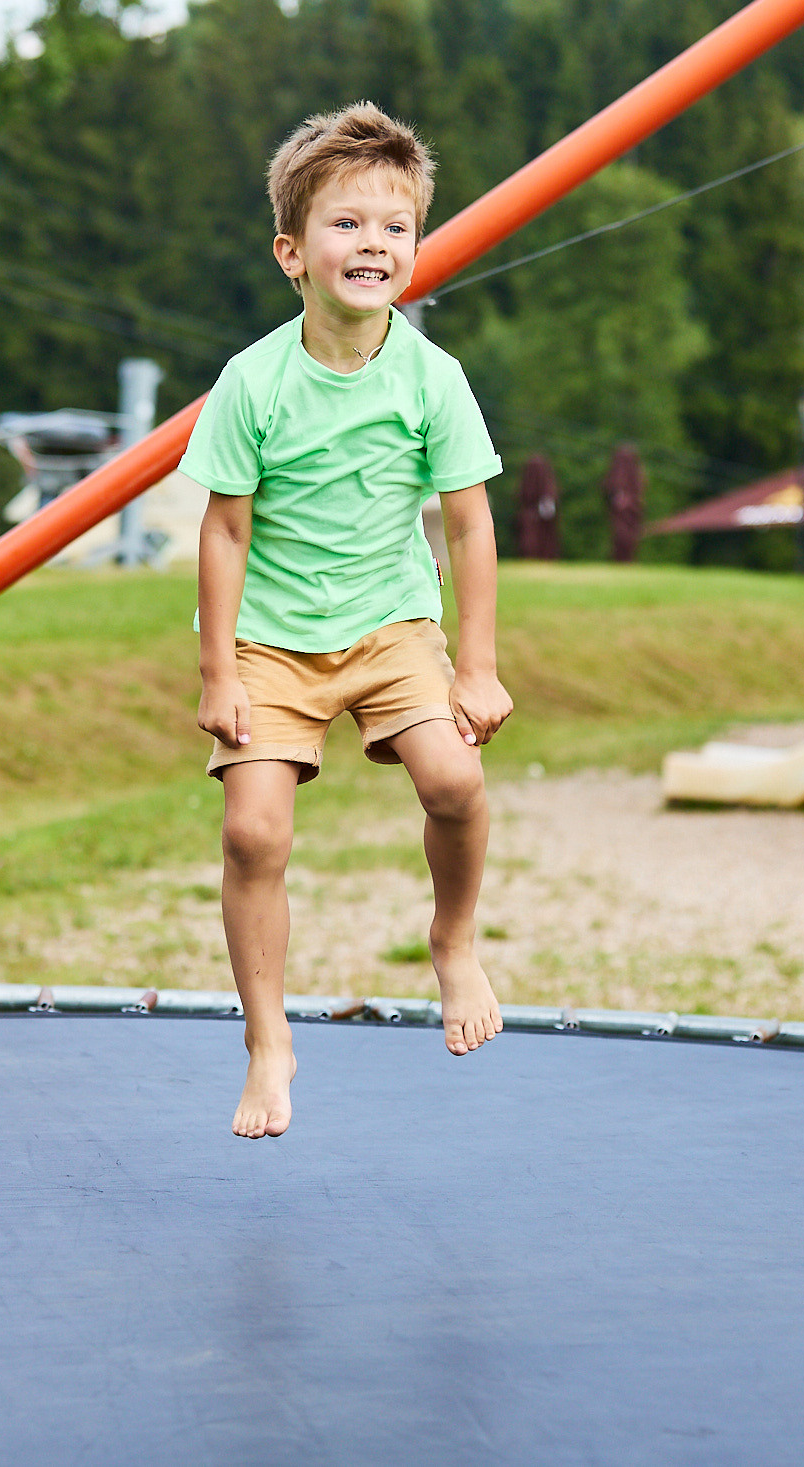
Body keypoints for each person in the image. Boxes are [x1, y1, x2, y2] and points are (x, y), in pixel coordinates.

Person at [182, 102, 510, 1140]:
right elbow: (224, 532)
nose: (373, 244)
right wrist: (218, 674)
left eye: (395, 227)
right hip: (271, 643)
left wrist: (476, 666)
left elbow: (466, 527)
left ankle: (453, 942)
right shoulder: (253, 382)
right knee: (252, 831)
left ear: (415, 245)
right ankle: (267, 1041)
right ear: (292, 252)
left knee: (455, 779)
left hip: (391, 631)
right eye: (346, 224)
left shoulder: (432, 378)